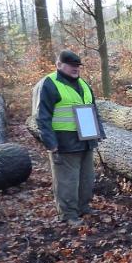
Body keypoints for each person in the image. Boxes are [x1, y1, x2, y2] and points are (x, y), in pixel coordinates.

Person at [35, 49, 100, 225]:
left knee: (86, 179)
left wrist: (98, 134)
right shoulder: (49, 84)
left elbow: (93, 110)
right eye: (71, 65)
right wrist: (51, 144)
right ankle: (68, 215)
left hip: (86, 140)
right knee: (67, 182)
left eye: (78, 66)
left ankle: (83, 207)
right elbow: (42, 117)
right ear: (59, 65)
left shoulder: (84, 84)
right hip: (64, 143)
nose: (75, 69)